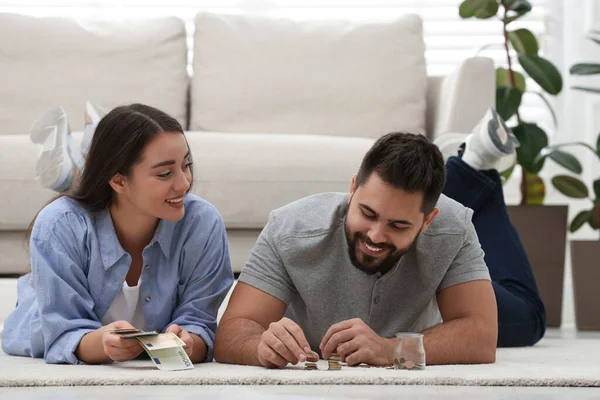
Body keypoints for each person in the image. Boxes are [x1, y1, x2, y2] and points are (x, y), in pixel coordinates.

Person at [213, 108, 546, 368]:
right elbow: (231, 332)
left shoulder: (453, 226)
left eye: (398, 226)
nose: (375, 235)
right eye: (367, 214)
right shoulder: (289, 229)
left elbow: (482, 337)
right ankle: (472, 164)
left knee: (530, 318)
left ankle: (474, 167)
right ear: (353, 187)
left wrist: (390, 349)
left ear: (428, 220)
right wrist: (260, 346)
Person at [2, 104, 234, 365]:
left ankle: (84, 159)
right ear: (119, 181)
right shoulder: (58, 225)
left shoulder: (202, 223)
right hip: (42, 313)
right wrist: (102, 344)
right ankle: (79, 166)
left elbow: (200, 325)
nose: (184, 184)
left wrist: (191, 342)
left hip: (110, 191)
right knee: (75, 208)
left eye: (186, 165)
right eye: (165, 173)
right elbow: (61, 334)